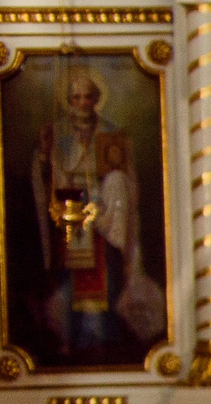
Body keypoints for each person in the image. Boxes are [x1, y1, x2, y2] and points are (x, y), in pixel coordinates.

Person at [29, 62, 159, 365]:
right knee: (73, 275)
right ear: (68, 101)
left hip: (105, 215)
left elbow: (126, 177)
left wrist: (113, 190)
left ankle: (105, 336)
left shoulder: (110, 131)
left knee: (107, 272)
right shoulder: (59, 132)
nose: (82, 103)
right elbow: (47, 173)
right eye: (76, 98)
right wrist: (45, 154)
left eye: (87, 97)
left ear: (96, 98)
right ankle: (71, 337)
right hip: (72, 210)